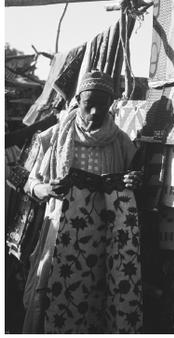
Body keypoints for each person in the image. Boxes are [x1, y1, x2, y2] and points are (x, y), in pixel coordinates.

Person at [23, 70, 144, 333]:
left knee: (92, 300)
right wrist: (47, 189)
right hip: (59, 237)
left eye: (102, 107)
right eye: (89, 106)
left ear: (111, 105)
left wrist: (133, 181)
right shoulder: (54, 137)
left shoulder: (121, 142)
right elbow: (29, 184)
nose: (93, 114)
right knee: (52, 298)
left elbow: (135, 182)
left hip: (103, 241)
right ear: (78, 100)